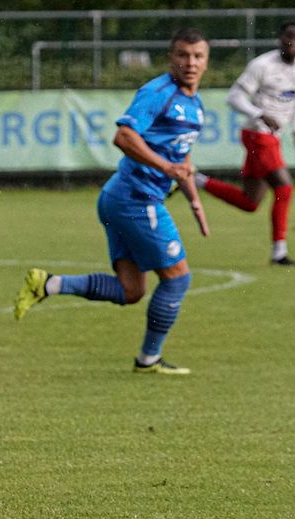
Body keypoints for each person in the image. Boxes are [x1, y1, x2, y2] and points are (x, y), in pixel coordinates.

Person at [14, 28, 211, 376]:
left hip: (120, 198)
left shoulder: (195, 104)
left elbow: (182, 157)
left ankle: (48, 283)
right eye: (183, 55)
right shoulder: (158, 93)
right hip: (137, 199)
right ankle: (148, 360)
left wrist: (194, 201)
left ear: (207, 61)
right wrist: (166, 168)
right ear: (171, 58)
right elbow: (124, 136)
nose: (190, 62)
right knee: (177, 279)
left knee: (131, 290)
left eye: (197, 56)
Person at [194, 21, 295, 266]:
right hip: (257, 135)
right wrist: (260, 114)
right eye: (288, 36)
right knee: (284, 187)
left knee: (250, 202)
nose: (291, 41)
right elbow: (234, 97)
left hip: (273, 137)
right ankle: (279, 252)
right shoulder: (262, 65)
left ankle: (195, 179)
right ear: (279, 38)